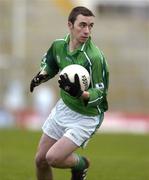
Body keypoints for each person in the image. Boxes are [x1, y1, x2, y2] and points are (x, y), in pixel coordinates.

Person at [30, 6, 109, 180]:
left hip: (86, 116)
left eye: (90, 26)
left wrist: (81, 93)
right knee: (40, 160)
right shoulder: (59, 45)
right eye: (82, 25)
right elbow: (51, 64)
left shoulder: (94, 57)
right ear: (70, 25)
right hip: (64, 108)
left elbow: (101, 93)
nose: (87, 31)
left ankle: (81, 164)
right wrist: (41, 77)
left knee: (53, 158)